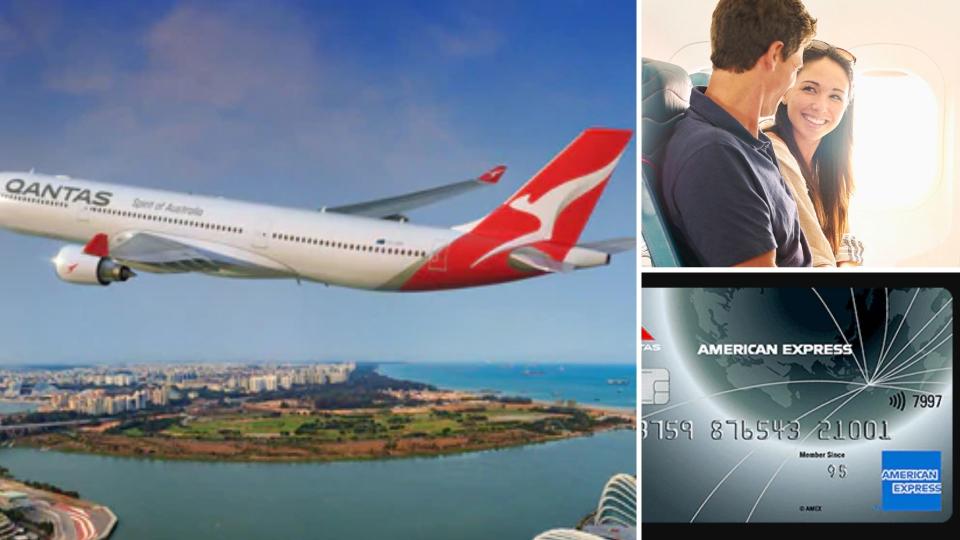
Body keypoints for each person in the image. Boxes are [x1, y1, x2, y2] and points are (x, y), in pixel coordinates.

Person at [661, 0, 816, 267]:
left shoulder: (748, 141)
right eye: (796, 68)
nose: (792, 85)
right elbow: (761, 297)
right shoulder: (714, 157)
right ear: (774, 54)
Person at [765, 40, 864, 267]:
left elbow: (843, 237)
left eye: (835, 96)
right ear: (786, 92)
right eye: (810, 89)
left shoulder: (828, 161)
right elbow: (817, 255)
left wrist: (848, 267)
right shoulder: (773, 152)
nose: (821, 106)